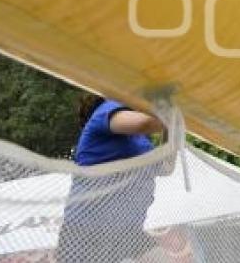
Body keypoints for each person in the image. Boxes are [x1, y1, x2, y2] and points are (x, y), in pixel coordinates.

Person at [56, 95, 166, 262]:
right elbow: (146, 123)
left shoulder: (139, 141)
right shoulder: (104, 111)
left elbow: (165, 168)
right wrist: (175, 111)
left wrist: (173, 131)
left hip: (126, 230)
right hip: (87, 231)